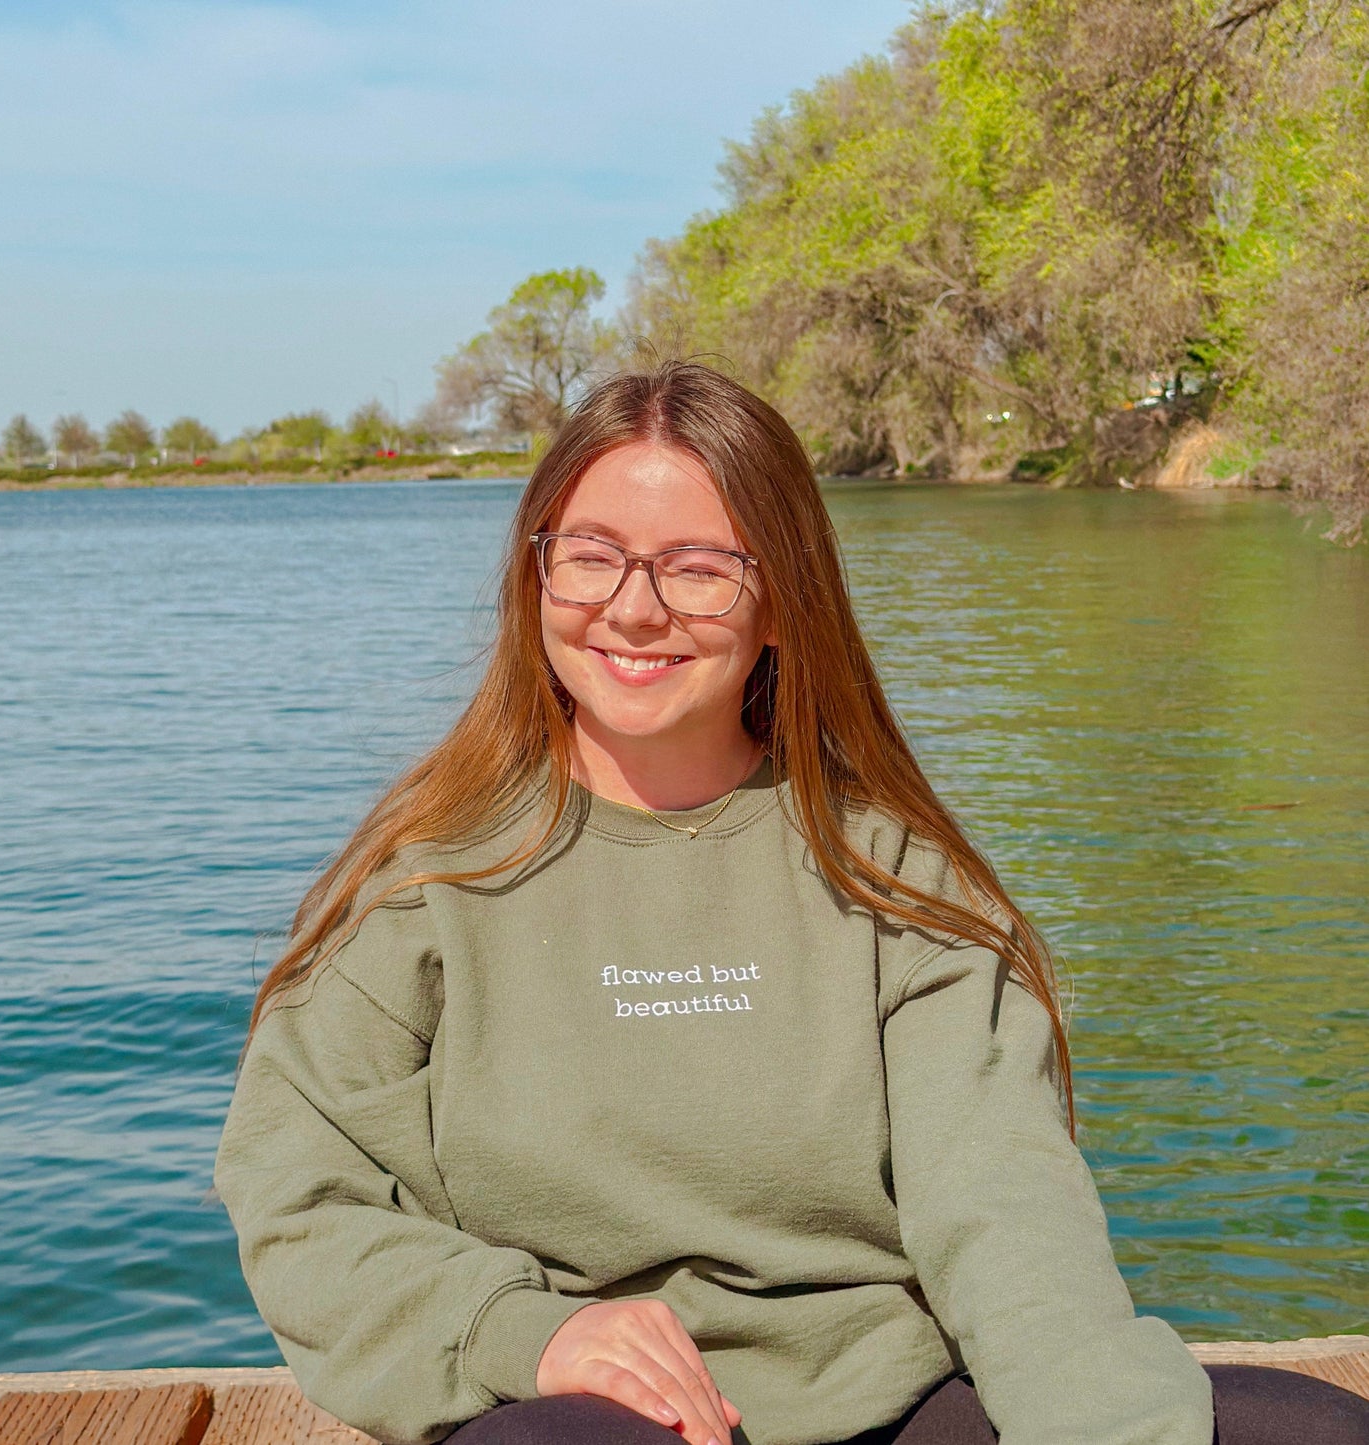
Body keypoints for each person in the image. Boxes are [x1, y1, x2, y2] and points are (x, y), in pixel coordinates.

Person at [214, 362, 1369, 1445]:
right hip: (580, 1416)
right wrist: (530, 1330)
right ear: (538, 575)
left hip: (888, 1401)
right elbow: (297, 1197)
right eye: (593, 555)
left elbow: (1003, 1216)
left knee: (1301, 1424)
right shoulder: (426, 879)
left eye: (697, 566)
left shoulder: (898, 882)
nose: (633, 607)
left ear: (781, 602)